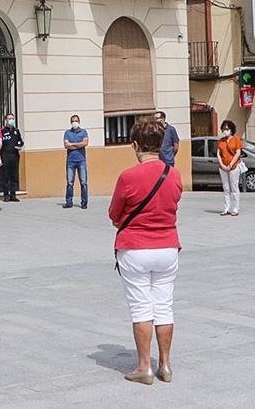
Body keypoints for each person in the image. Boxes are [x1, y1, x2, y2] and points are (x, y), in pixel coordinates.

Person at [108, 118, 183, 385]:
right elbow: (173, 204)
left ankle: (144, 367)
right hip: (167, 247)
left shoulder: (128, 176)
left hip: (135, 248)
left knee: (141, 307)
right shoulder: (174, 174)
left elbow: (114, 214)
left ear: (135, 145)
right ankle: (165, 365)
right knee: (164, 306)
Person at [63, 114, 90, 209]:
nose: (74, 122)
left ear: (79, 121)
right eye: (73, 121)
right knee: (70, 183)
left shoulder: (84, 132)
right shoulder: (67, 133)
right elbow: (66, 145)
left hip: (81, 161)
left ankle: (84, 202)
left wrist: (72, 144)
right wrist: (78, 145)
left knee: (83, 183)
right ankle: (69, 202)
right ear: (71, 122)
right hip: (70, 161)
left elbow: (85, 143)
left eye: (76, 121)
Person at [217, 120, 243, 217]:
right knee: (226, 188)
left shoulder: (236, 139)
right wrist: (222, 165)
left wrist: (231, 164)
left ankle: (235, 208)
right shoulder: (221, 141)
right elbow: (218, 154)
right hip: (223, 167)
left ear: (231, 129)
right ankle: (226, 208)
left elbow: (238, 152)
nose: (225, 130)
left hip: (233, 167)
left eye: (227, 129)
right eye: (223, 128)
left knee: (234, 187)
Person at [0, 112, 24, 202]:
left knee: (14, 176)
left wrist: (20, 144)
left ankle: (13, 195)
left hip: (15, 155)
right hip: (5, 156)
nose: (11, 120)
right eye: (9, 119)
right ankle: (6, 195)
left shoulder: (16, 131)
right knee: (5, 176)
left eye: (12, 119)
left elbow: (20, 141)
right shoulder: (2, 132)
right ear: (6, 120)